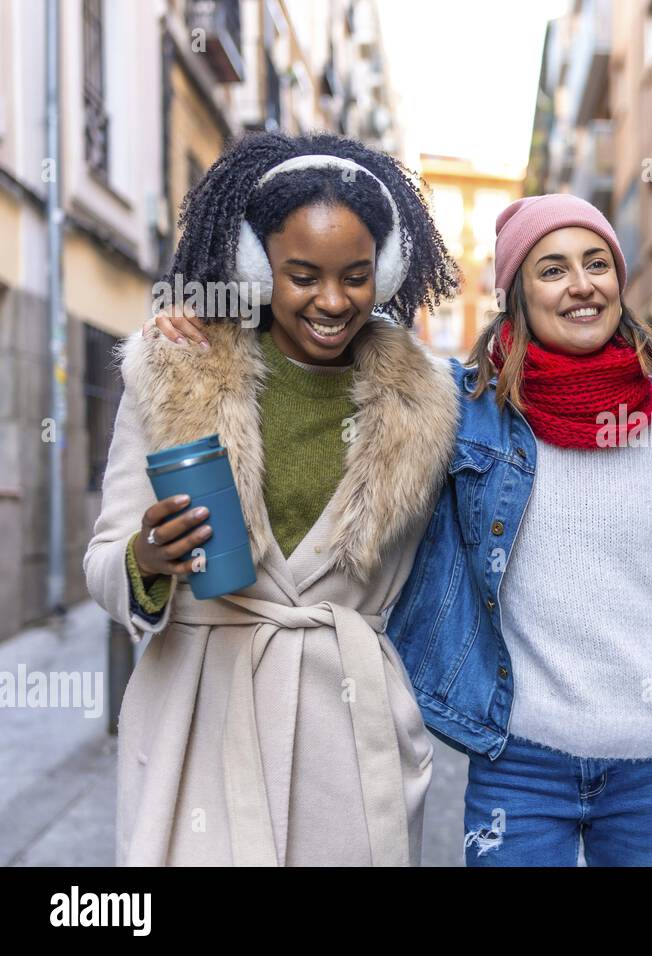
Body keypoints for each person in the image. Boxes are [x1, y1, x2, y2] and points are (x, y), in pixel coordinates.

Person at [86, 131, 461, 865]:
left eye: (355, 276)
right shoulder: (176, 375)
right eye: (302, 275)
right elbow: (104, 564)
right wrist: (147, 558)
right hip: (200, 720)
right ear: (257, 267)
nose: (331, 300)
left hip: (350, 734)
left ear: (384, 273)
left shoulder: (430, 401)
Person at [385, 194, 652, 866]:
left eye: (597, 263)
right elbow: (346, 360)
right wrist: (213, 332)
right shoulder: (467, 411)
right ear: (517, 294)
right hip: (521, 761)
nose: (582, 285)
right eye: (553, 269)